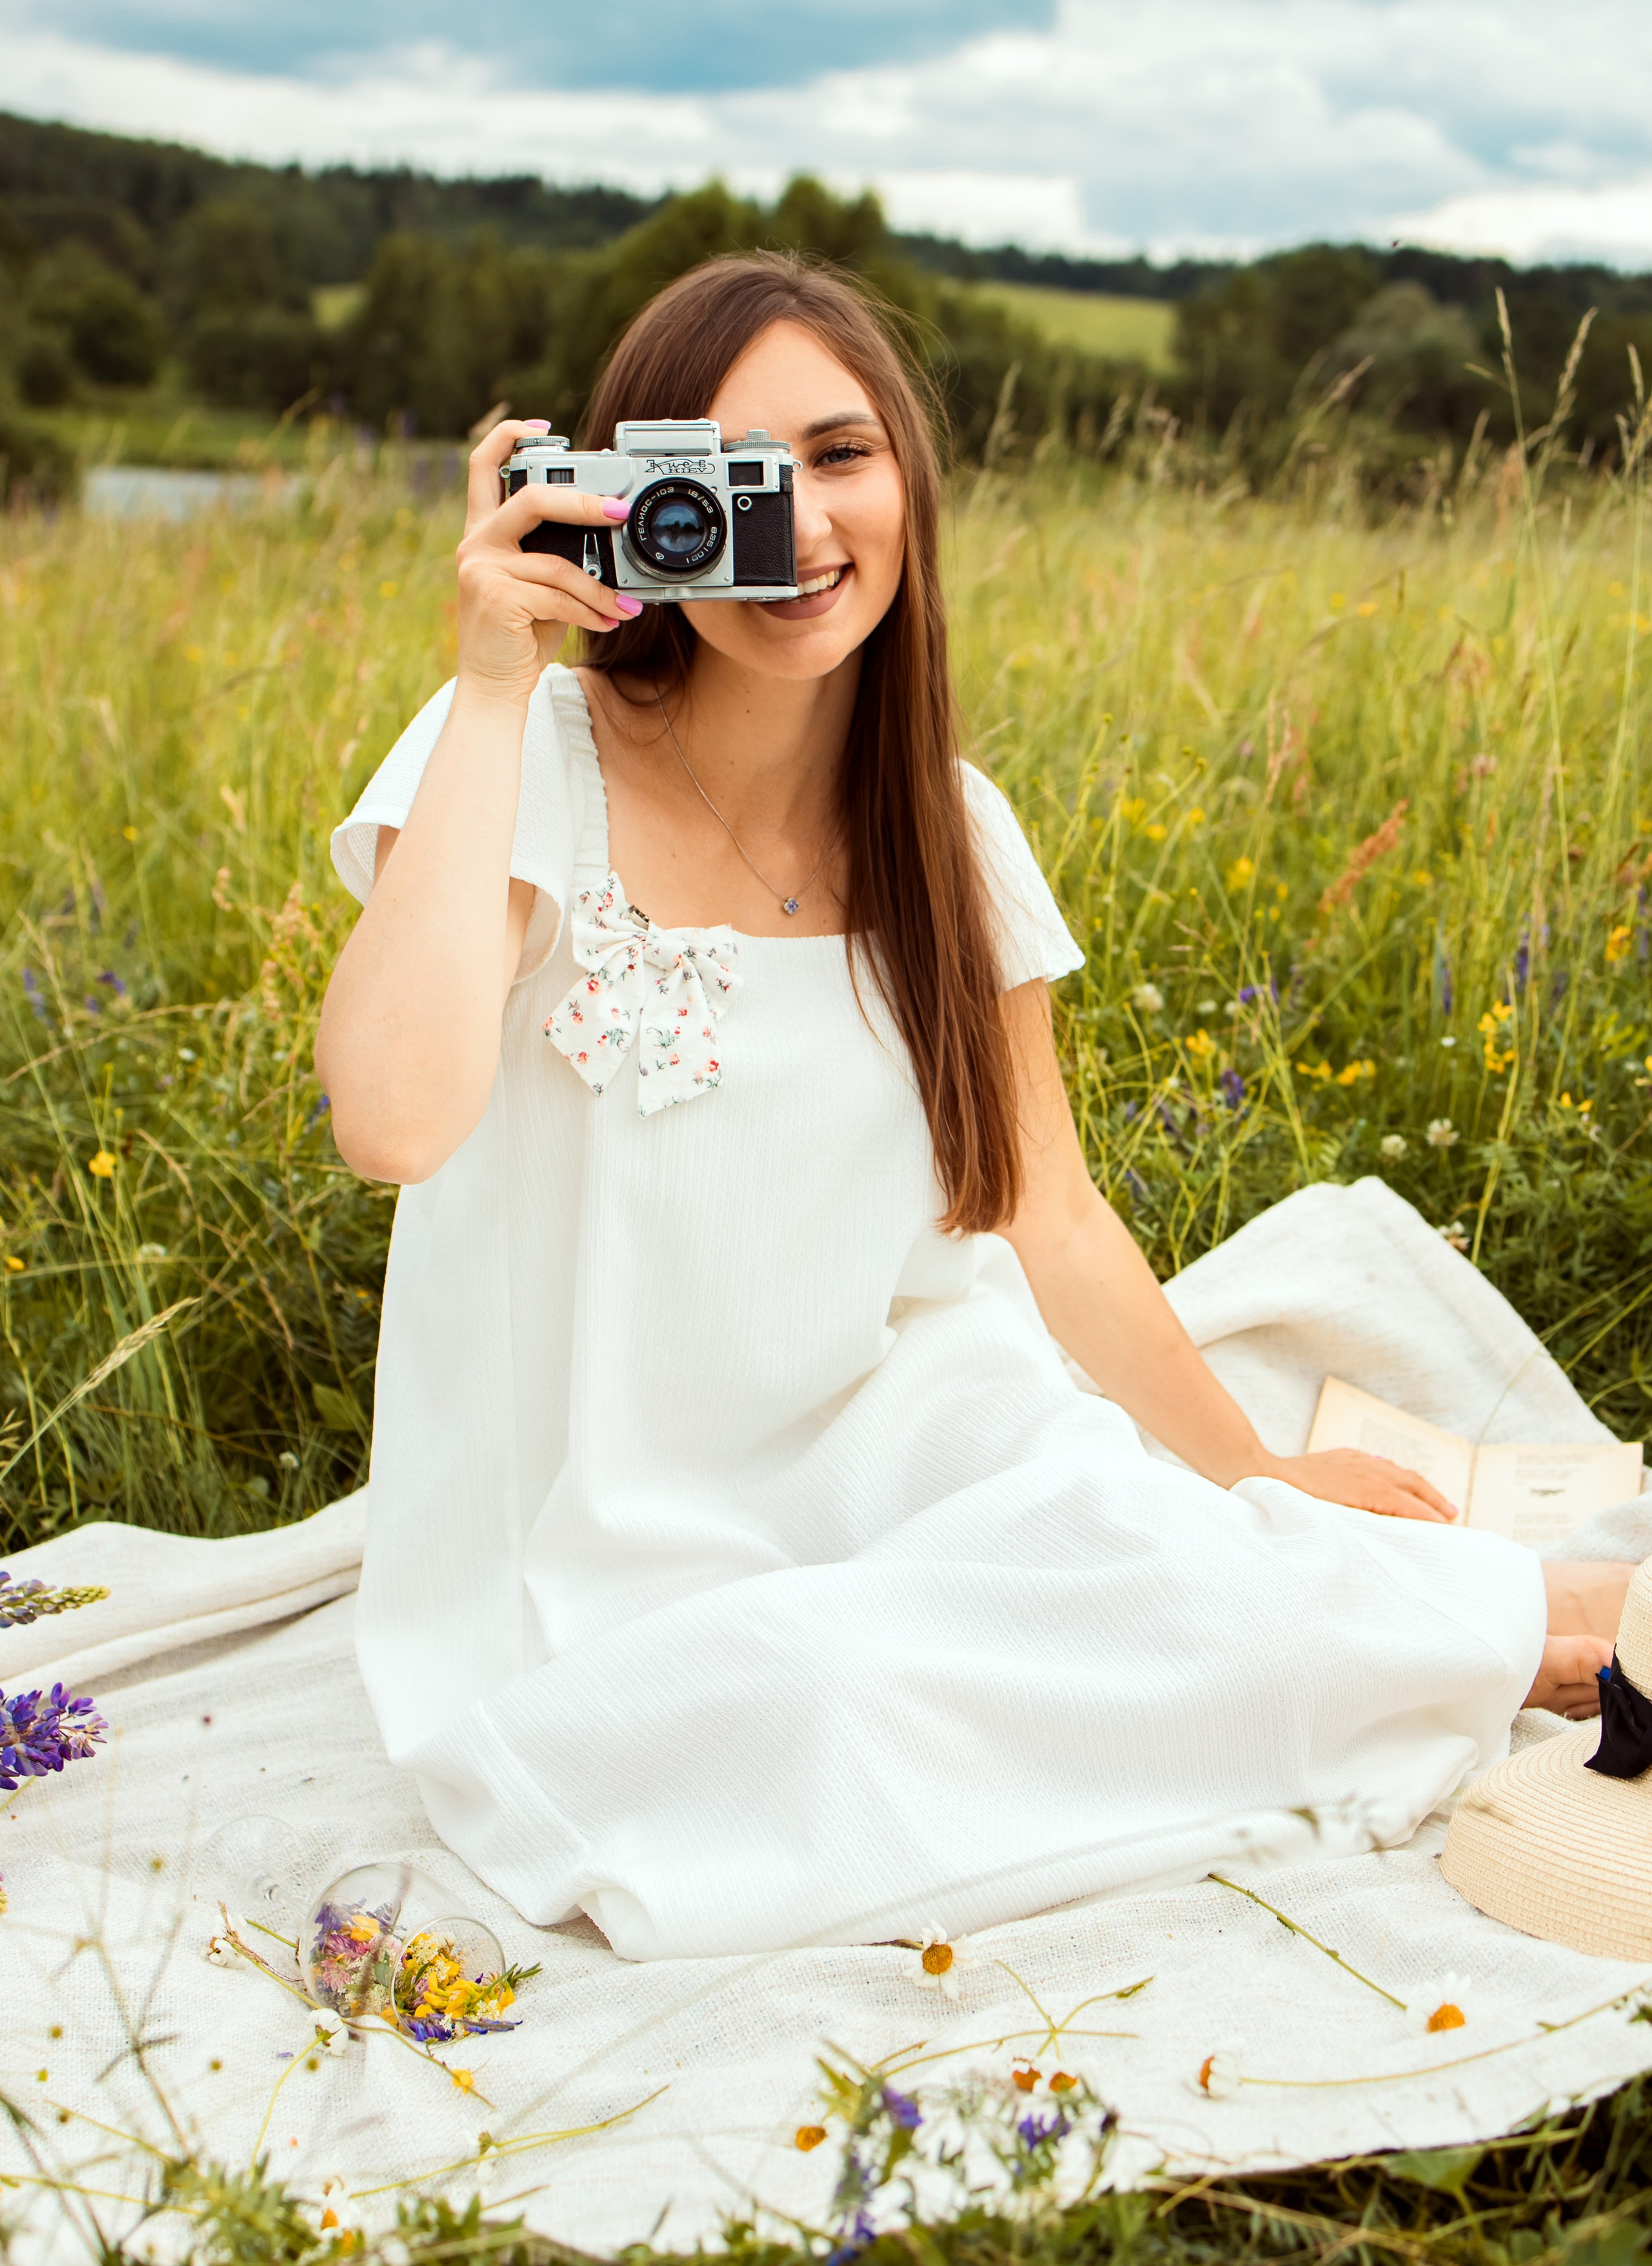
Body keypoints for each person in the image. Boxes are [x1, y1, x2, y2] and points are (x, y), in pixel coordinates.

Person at [316, 253, 1627, 1961]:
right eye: (731, 475)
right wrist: (492, 678)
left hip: (917, 1423)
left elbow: (1045, 1211)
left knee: (1142, 1546)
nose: (793, 520)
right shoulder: (521, 758)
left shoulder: (952, 826)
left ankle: (1543, 1621)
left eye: (842, 455)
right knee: (808, 1696)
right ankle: (1498, 1634)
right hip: (611, 1529)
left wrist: (1253, 1476)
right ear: (628, 507)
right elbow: (393, 1125)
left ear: (914, 490)